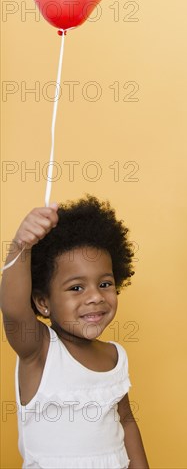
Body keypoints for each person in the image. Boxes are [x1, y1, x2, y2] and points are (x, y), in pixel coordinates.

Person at [0, 196, 149, 469]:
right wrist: (21, 246)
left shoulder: (115, 356)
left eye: (104, 283)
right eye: (76, 288)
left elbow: (125, 419)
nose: (95, 297)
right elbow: (12, 310)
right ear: (43, 302)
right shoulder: (40, 351)